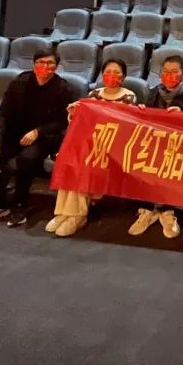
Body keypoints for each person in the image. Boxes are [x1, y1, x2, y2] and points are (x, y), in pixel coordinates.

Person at [0, 48, 77, 228]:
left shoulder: (63, 88)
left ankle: (19, 203)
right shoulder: (19, 83)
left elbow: (63, 121)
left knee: (27, 159)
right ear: (34, 64)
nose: (45, 67)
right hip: (13, 136)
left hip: (44, 139)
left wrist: (38, 131)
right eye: (41, 62)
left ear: (56, 67)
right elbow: (3, 115)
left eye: (50, 63)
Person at [45, 58, 137, 238]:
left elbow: (125, 126)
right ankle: (63, 212)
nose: (111, 76)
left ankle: (77, 215)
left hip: (112, 146)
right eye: (108, 72)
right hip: (90, 142)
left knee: (83, 162)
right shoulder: (94, 94)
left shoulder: (129, 96)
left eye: (116, 72)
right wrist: (73, 114)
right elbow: (82, 124)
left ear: (124, 76)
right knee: (71, 158)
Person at [128, 55, 183, 239]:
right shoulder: (153, 93)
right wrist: (142, 112)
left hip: (182, 145)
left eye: (174, 72)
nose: (169, 76)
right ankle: (148, 209)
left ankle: (168, 211)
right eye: (165, 72)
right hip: (156, 143)